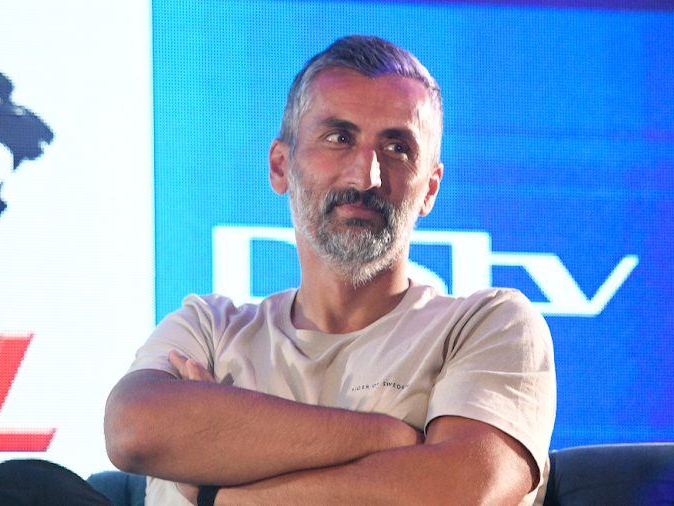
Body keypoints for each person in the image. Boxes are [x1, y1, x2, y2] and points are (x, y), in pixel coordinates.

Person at [104, 35, 556, 506]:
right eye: (339, 138)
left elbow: (462, 491)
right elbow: (132, 428)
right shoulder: (209, 331)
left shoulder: (489, 326)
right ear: (281, 166)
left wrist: (219, 491)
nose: (367, 177)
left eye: (397, 148)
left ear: (430, 189)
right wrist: (388, 438)